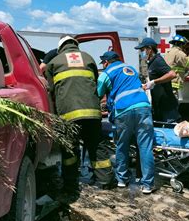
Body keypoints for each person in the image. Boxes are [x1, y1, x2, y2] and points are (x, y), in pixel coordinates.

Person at [45, 35, 114, 192]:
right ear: (75, 45)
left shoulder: (54, 62)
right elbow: (95, 84)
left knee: (70, 149)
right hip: (92, 113)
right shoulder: (88, 58)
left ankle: (70, 184)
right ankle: (105, 180)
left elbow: (51, 91)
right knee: (96, 146)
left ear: (61, 47)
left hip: (69, 115)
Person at [97, 51, 155, 194]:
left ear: (106, 62)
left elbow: (98, 93)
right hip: (143, 107)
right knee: (145, 146)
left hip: (124, 110)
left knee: (122, 144)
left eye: (103, 63)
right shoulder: (130, 69)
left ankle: (122, 179)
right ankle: (147, 184)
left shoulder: (106, 73)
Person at [135, 37, 181, 123]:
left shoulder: (158, 60)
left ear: (149, 49)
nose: (141, 52)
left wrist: (154, 82)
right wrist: (147, 85)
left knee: (170, 130)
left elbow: (172, 74)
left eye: (142, 49)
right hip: (159, 104)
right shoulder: (151, 62)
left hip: (167, 105)